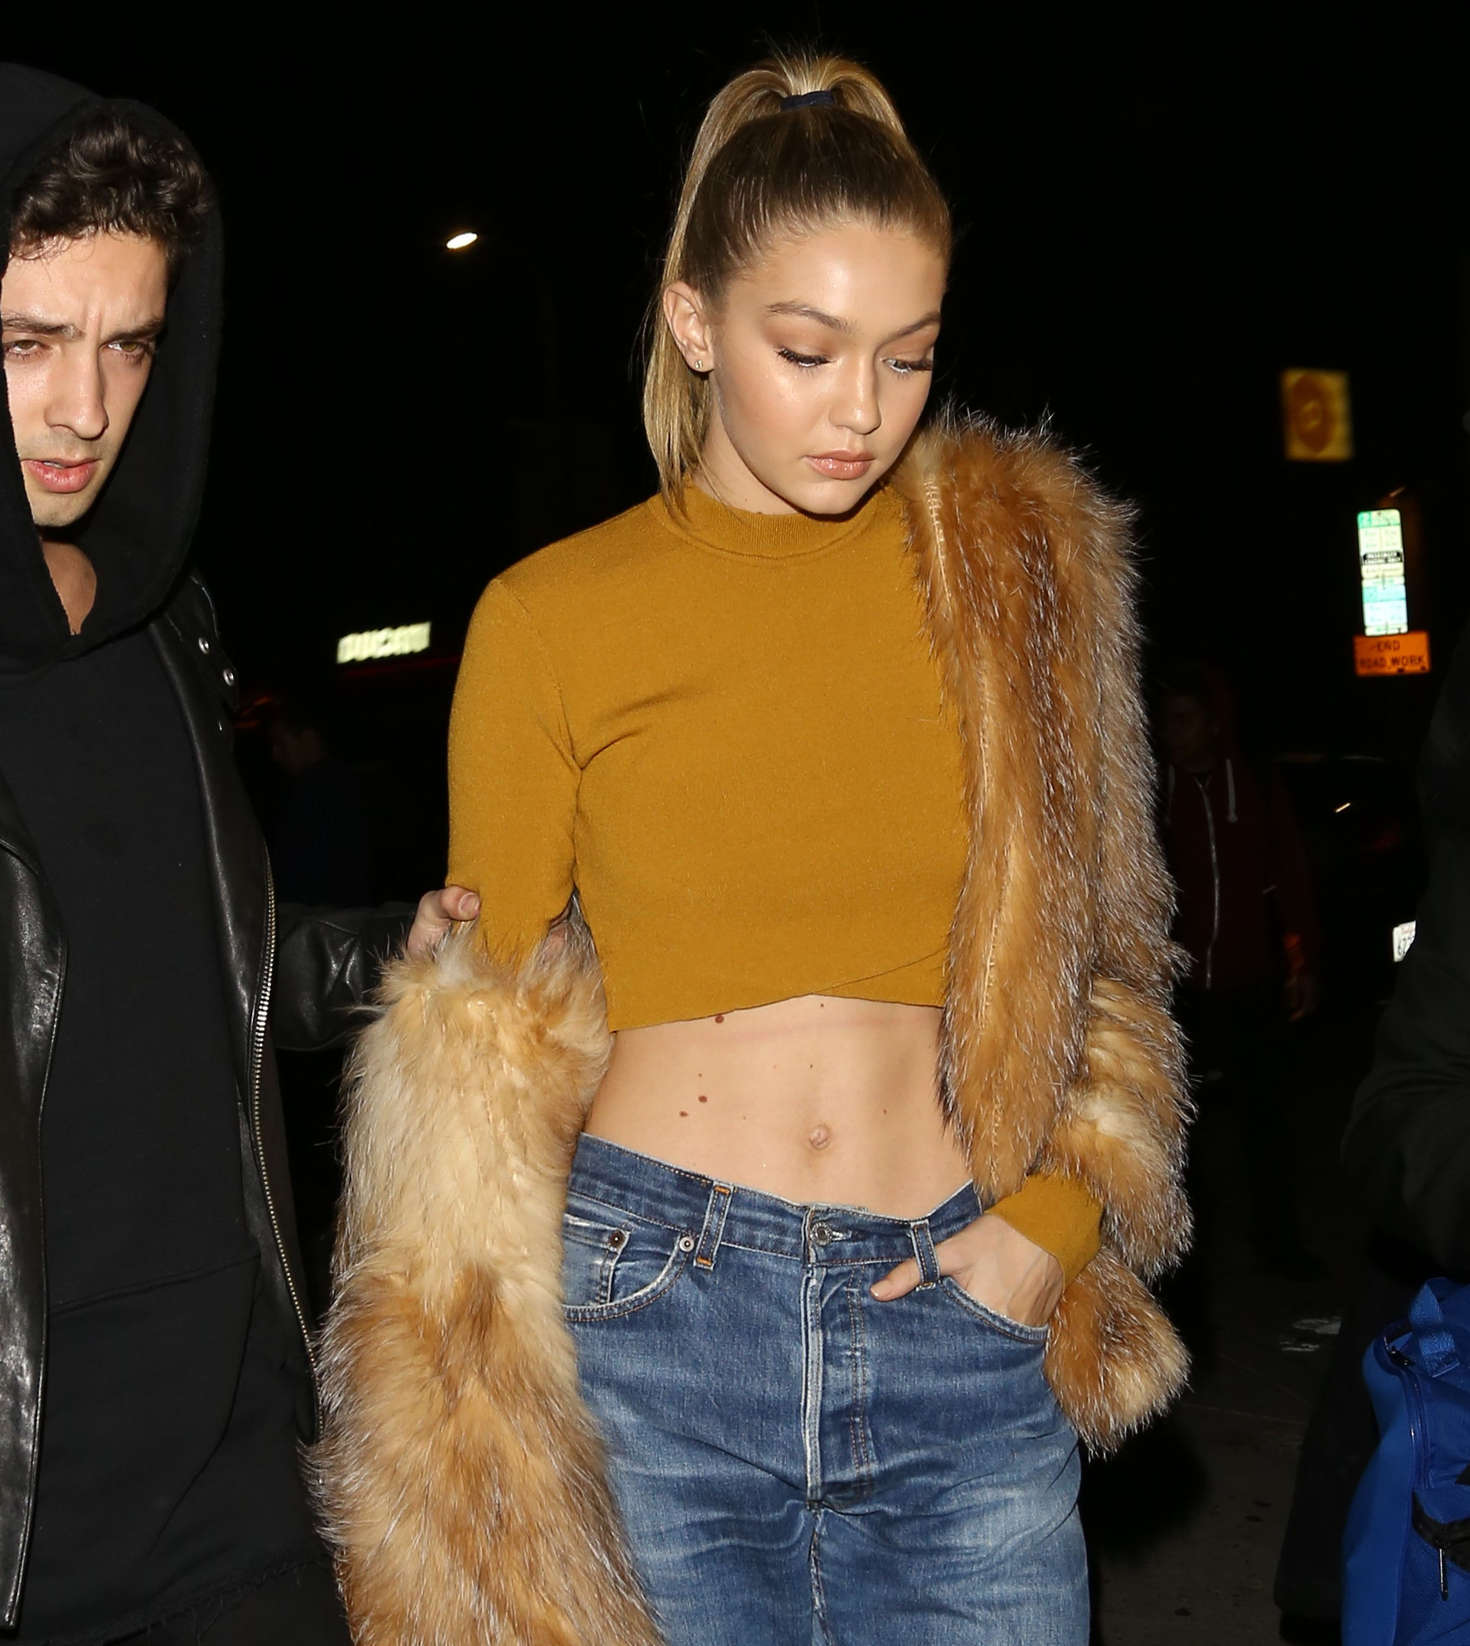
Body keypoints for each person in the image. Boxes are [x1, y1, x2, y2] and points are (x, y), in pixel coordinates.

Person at [318, 52, 1191, 1646]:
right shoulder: (549, 617)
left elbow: (1110, 951)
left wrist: (1048, 1229)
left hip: (962, 1309)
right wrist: (441, 982)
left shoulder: (1014, 570)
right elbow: (486, 1067)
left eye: (908, 355)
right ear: (695, 321)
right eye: (807, 349)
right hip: (651, 1323)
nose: (862, 408)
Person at [0, 66, 476, 1643]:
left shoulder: (166, 629)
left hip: (229, 1462)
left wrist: (388, 953)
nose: (86, 408)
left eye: (129, 343)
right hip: (23, 1498)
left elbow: (188, 972)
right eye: (29, 342)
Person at [1156, 660, 1322, 1275]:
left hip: (1251, 980)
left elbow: (1290, 876)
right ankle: (1184, 1264)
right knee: (1181, 1130)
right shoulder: (1154, 791)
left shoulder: (1252, 783)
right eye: (1167, 720)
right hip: (1181, 991)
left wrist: (1302, 961)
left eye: (1184, 718)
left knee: (1267, 1120)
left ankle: (1281, 1246)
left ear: (1212, 721)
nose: (1173, 731)